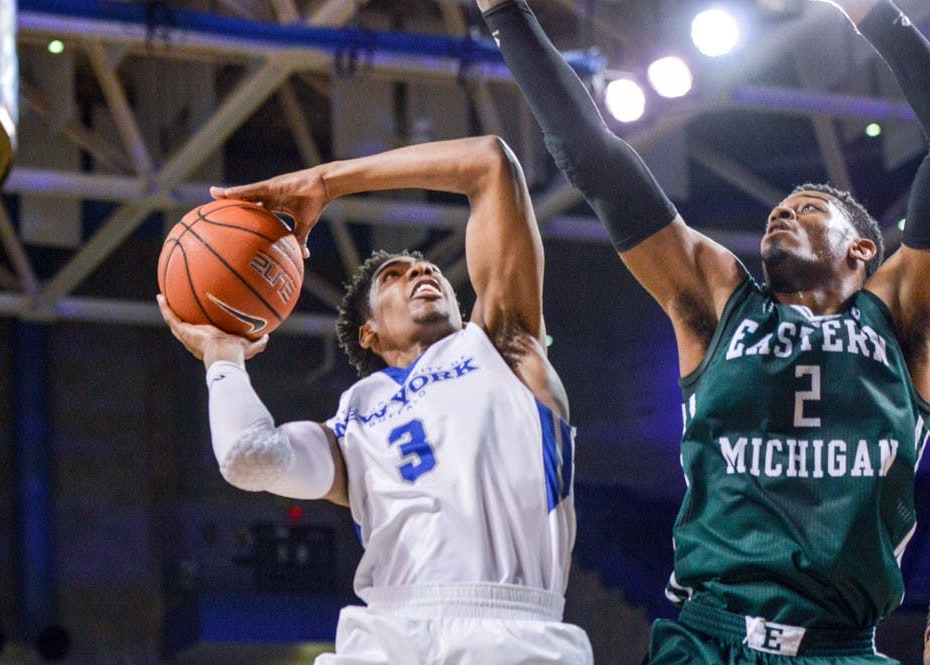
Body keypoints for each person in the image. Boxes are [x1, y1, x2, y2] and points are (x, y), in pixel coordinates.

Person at [477, 0, 930, 661]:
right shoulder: (718, 303)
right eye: (780, 206)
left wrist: (873, 14)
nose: (783, 212)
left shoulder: (902, 315)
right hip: (710, 637)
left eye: (808, 207)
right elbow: (591, 156)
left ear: (864, 249)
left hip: (842, 645)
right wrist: (504, 14)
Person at [157, 135, 593, 665]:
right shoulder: (353, 422)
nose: (423, 271)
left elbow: (491, 163)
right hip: (386, 635)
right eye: (395, 274)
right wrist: (223, 358)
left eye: (428, 270)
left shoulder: (504, 347)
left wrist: (326, 182)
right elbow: (249, 456)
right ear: (369, 333)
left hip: (513, 635)